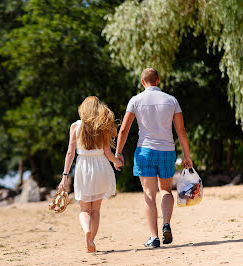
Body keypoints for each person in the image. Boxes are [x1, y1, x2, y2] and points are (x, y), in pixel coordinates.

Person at [115, 68, 193, 248]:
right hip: (167, 150)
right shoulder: (171, 100)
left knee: (149, 195)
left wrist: (118, 153)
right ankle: (166, 223)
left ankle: (154, 237)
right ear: (158, 80)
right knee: (165, 190)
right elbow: (181, 130)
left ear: (143, 82)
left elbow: (124, 130)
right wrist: (186, 155)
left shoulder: (135, 101)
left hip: (145, 151)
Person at [59, 96, 122, 253]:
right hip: (100, 167)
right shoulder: (102, 126)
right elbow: (107, 152)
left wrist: (64, 176)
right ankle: (92, 239)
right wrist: (116, 162)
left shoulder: (75, 126)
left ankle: (87, 231)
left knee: (84, 209)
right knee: (96, 210)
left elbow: (69, 153)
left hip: (83, 168)